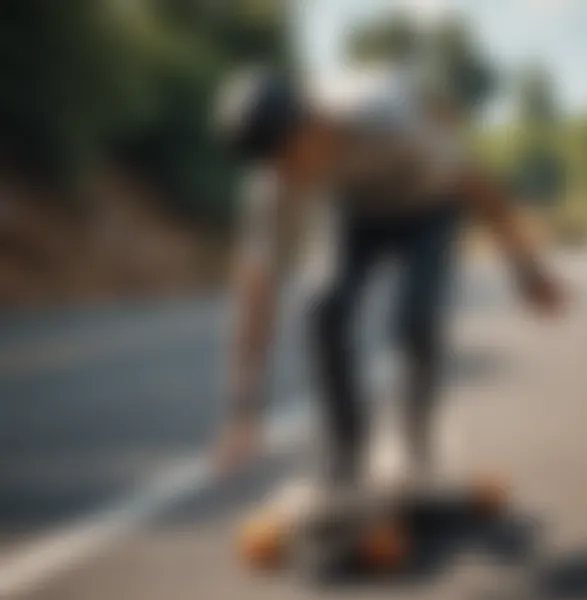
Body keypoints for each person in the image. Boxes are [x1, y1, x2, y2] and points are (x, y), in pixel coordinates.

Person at [212, 67, 563, 486]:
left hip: (429, 207)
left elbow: (479, 187)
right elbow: (256, 290)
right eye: (277, 168)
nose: (290, 178)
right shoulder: (274, 179)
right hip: (357, 213)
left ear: (311, 124)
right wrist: (244, 408)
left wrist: (527, 270)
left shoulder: (389, 119)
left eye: (291, 160)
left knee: (414, 319)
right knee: (323, 310)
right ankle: (347, 454)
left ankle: (417, 448)